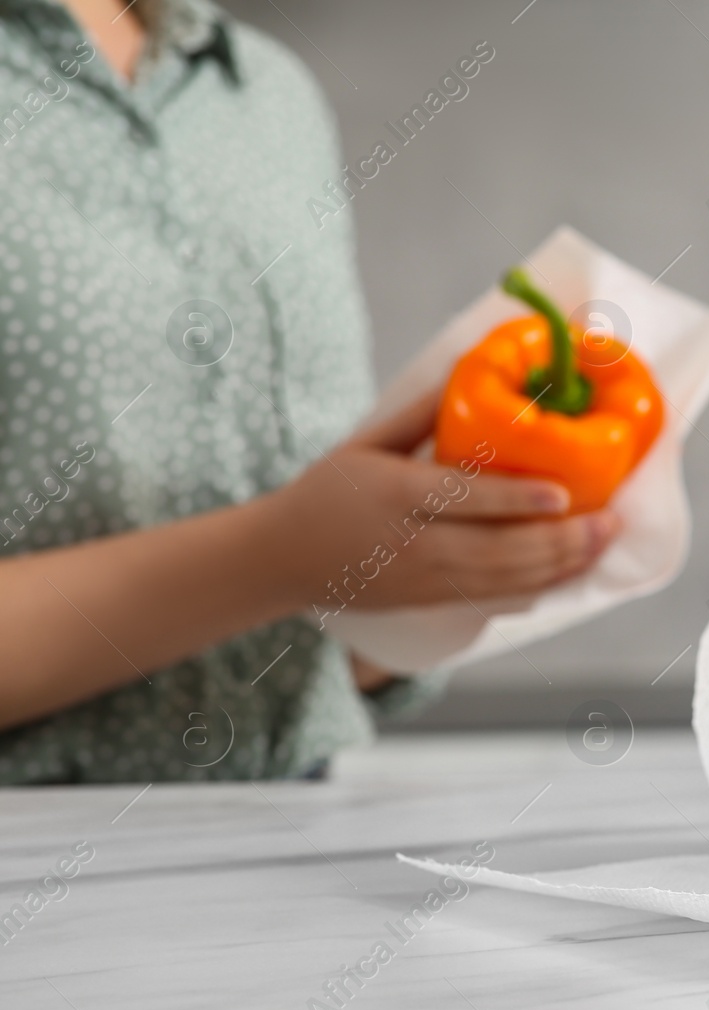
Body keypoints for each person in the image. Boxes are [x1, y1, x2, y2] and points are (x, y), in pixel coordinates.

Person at [0, 0, 619, 782]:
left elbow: (331, 634)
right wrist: (280, 556)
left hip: (296, 837)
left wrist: (430, 577)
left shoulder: (269, 94)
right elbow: (295, 550)